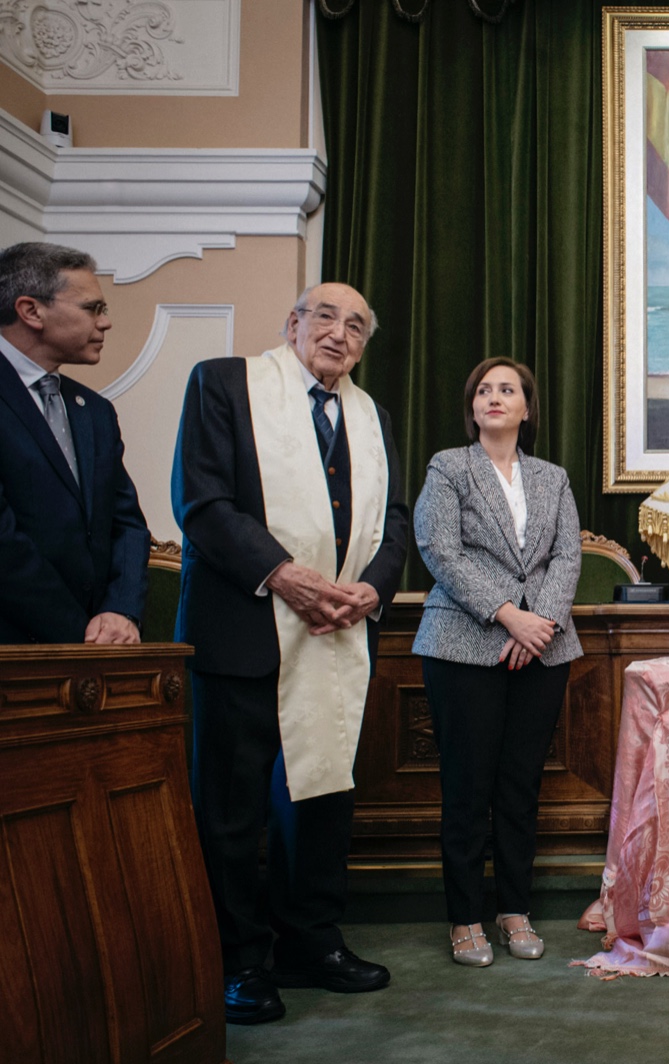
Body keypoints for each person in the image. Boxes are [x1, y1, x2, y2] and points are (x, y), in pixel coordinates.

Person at [172, 283, 410, 1024]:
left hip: (338, 631)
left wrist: (371, 589)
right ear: (293, 323)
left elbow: (393, 521)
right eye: (326, 316)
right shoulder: (224, 383)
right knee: (236, 806)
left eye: (358, 326)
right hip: (243, 629)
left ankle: (312, 941)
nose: (340, 333)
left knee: (324, 796)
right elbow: (203, 502)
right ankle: (240, 960)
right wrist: (283, 576)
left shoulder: (372, 415)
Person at [411, 358, 582, 967]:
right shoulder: (449, 466)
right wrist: (508, 615)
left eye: (506, 390)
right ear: (473, 407)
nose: (493, 397)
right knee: (466, 786)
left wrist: (539, 626)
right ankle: (465, 918)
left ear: (526, 408)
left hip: (545, 647)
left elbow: (567, 557)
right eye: (483, 389)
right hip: (464, 644)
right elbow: (439, 550)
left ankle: (514, 909)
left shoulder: (552, 477)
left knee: (519, 787)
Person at [0, 242, 148, 644]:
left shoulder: (94, 410)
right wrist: (79, 632)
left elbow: (128, 524)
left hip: (95, 649)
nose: (105, 323)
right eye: (92, 308)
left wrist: (120, 610)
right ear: (31, 311)